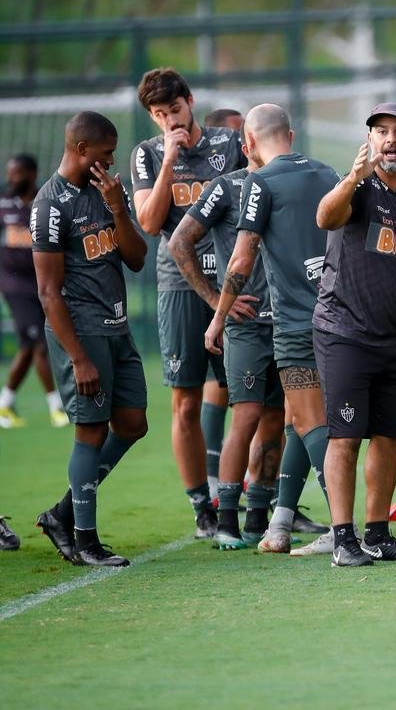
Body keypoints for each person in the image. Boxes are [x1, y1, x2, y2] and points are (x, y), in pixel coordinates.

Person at [203, 104, 339, 557]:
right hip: (340, 317)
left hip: (296, 324)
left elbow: (241, 259)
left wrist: (219, 314)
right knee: (301, 422)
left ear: (248, 145)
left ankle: (344, 528)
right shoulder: (329, 173)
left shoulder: (258, 181)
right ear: (292, 134)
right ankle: (280, 521)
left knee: (306, 419)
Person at [131, 68, 244, 536]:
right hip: (179, 285)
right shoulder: (148, 154)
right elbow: (149, 220)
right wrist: (167, 163)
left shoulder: (228, 144)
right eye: (159, 116)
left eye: (174, 110)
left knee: (250, 396)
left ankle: (252, 498)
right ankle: (202, 505)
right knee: (184, 403)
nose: (169, 121)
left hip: (234, 284)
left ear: (190, 101)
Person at [32, 112, 148, 566]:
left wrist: (119, 208)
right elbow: (48, 291)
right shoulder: (50, 205)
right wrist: (78, 358)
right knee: (91, 431)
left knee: (133, 424)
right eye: (105, 153)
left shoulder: (107, 195)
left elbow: (136, 259)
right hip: (80, 332)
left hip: (117, 327)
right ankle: (86, 541)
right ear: (82, 150)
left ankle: (62, 514)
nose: (111, 161)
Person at [169, 159, 289, 550]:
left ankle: (257, 518)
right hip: (248, 326)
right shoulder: (226, 187)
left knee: (277, 420)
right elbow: (178, 241)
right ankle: (225, 523)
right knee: (247, 416)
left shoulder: (295, 181)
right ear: (247, 146)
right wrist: (216, 299)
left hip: (290, 322)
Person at [0, 154, 67, 429]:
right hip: (15, 287)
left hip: (44, 284)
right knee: (38, 344)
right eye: (10, 173)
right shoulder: (3, 205)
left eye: (17, 174)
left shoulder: (45, 203)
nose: (11, 179)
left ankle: (5, 404)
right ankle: (56, 408)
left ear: (31, 173)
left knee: (30, 347)